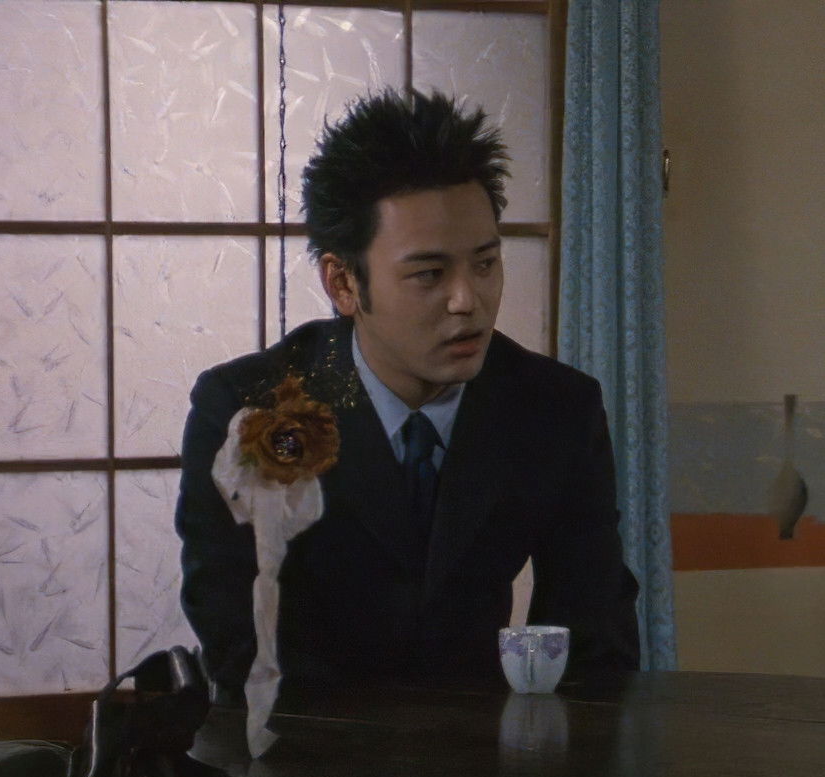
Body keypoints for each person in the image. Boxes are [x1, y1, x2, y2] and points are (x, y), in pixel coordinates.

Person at [176, 89, 640, 700]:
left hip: (489, 742)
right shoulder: (250, 408)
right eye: (429, 274)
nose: (467, 301)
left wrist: (537, 743)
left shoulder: (553, 409)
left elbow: (594, 631)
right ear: (343, 283)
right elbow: (238, 635)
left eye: (485, 264)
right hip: (307, 742)